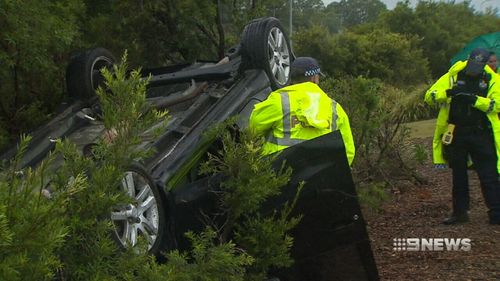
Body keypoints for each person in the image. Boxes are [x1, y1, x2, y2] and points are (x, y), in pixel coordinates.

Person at [424, 48, 500, 225]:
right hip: (456, 131)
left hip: (481, 132)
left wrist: (474, 100)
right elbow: (429, 96)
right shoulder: (453, 75)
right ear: (468, 60)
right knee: (458, 174)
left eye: (482, 64)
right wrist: (448, 93)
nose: (476, 68)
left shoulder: (491, 79)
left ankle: (496, 212)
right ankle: (460, 213)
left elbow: (496, 105)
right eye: (473, 63)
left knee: (488, 174)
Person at [249, 57, 355, 165]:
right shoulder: (335, 109)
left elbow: (252, 129)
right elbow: (348, 151)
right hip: (320, 177)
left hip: (279, 174)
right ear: (314, 78)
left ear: (291, 78)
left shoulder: (279, 101)